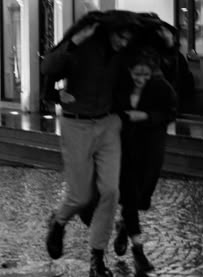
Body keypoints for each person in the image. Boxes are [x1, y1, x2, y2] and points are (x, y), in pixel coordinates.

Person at [41, 11, 139, 277]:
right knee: (80, 195)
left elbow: (155, 53)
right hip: (77, 125)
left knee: (110, 191)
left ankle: (97, 260)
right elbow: (48, 67)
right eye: (121, 37)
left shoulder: (122, 51)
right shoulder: (82, 42)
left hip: (108, 124)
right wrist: (73, 44)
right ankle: (59, 222)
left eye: (128, 38)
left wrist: (167, 39)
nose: (123, 43)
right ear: (109, 32)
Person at [112, 46, 177, 275]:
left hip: (151, 148)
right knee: (130, 198)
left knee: (142, 197)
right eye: (136, 74)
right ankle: (138, 252)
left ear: (152, 73)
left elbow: (170, 112)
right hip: (126, 147)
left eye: (145, 75)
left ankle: (123, 225)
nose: (140, 79)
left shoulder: (161, 87)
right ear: (129, 71)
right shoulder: (121, 86)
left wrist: (146, 116)